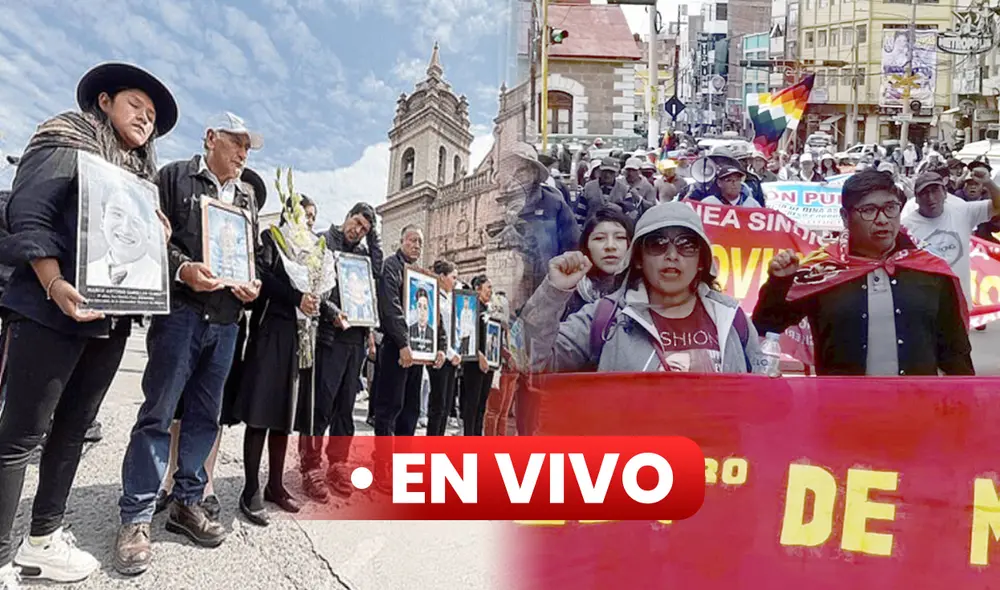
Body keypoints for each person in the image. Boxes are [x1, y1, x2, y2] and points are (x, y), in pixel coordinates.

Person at [0, 62, 177, 587]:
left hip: (109, 319)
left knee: (74, 427)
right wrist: (54, 283)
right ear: (103, 102)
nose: (144, 120)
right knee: (20, 435)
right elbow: (28, 214)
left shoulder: (140, 180)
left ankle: (44, 537)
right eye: (136, 107)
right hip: (51, 309)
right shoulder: (65, 138)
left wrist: (154, 234)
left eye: (151, 117)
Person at [115, 111, 264, 576]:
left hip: (225, 323)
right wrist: (184, 270)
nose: (243, 154)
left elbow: (249, 256)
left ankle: (186, 502)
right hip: (181, 315)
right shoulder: (174, 177)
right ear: (211, 138)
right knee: (159, 413)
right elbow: (152, 239)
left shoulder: (246, 198)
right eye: (237, 143)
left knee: (205, 416)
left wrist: (251, 285)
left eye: (247, 147)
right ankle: (136, 515)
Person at [753, 169, 973, 376]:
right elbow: (766, 323)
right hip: (841, 407)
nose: (882, 219)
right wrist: (779, 283)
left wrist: (966, 403)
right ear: (845, 217)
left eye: (890, 207)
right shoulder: (823, 270)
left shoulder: (930, 270)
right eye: (868, 210)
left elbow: (955, 351)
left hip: (917, 405)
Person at [519, 201, 762, 374]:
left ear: (702, 261)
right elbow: (530, 361)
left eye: (686, 244)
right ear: (638, 258)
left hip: (723, 448)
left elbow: (766, 397)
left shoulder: (731, 318)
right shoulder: (606, 318)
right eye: (657, 244)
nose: (672, 255)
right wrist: (553, 293)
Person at [221, 196, 319, 527]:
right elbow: (261, 278)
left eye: (313, 218)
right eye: (305, 215)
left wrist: (321, 302)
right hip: (270, 332)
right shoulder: (270, 240)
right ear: (290, 215)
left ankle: (275, 484)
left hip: (299, 337)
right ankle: (250, 489)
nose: (309, 222)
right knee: (261, 413)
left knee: (284, 416)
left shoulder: (313, 252)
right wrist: (296, 297)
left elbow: (317, 289)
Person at [373, 226, 444, 439]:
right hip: (397, 348)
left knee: (410, 410)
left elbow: (434, 314)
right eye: (412, 240)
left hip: (418, 352)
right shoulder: (391, 267)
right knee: (389, 407)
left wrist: (439, 346)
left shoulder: (422, 275)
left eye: (420, 242)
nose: (416, 246)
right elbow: (390, 307)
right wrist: (404, 343)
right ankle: (384, 464)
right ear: (401, 241)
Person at [902, 170, 1000, 307]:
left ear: (944, 193)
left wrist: (988, 183)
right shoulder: (905, 228)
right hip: (924, 307)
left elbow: (997, 206)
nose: (931, 198)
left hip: (959, 304)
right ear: (916, 199)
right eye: (924, 193)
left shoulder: (963, 211)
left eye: (935, 190)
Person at [508, 143, 580, 294]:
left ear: (534, 173)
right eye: (511, 170)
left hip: (546, 289)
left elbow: (573, 245)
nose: (515, 175)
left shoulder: (553, 204)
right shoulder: (496, 205)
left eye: (521, 169)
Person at [562, 207, 633, 321]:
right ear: (587, 245)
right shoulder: (568, 292)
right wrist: (554, 291)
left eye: (620, 237)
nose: (610, 246)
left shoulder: (645, 295)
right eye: (599, 238)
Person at [86, 187, 162, 290]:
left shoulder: (160, 278)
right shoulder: (87, 272)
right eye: (117, 214)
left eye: (137, 221)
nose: (125, 229)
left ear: (150, 230)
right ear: (102, 218)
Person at [426, 260, 462, 436]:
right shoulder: (434, 298)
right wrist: (449, 352)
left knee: (447, 405)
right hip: (440, 355)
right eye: (453, 277)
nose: (455, 281)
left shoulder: (450, 298)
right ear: (441, 277)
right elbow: (438, 329)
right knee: (438, 404)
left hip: (452, 357)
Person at [460, 275, 494, 435]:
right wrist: (479, 355)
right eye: (488, 287)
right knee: (471, 406)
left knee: (482, 406)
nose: (491, 291)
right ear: (478, 289)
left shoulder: (488, 310)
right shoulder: (472, 309)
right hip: (474, 363)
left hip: (488, 364)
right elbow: (467, 335)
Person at [701, 164, 765, 208]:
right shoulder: (708, 203)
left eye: (737, 180)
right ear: (719, 183)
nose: (734, 183)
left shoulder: (752, 204)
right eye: (729, 180)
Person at [408, 288, 434, 353]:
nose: (422, 312)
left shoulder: (433, 333)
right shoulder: (409, 330)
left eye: (425, 307)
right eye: (419, 307)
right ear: (415, 308)